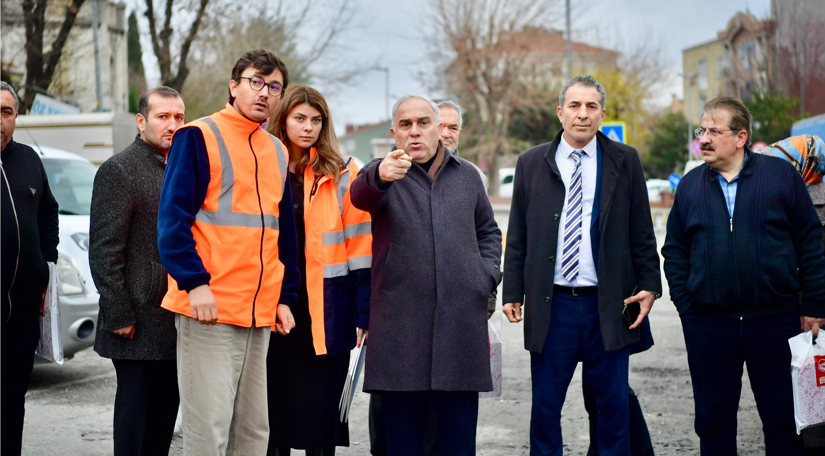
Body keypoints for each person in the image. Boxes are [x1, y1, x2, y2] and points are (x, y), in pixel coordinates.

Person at [502, 75, 662, 456]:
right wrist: (512, 292)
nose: (582, 114)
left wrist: (650, 286)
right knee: (545, 409)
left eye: (591, 107)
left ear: (602, 114)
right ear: (560, 112)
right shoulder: (530, 163)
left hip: (608, 306)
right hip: (552, 306)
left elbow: (642, 231)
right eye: (574, 105)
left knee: (612, 407)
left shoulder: (625, 161)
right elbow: (518, 234)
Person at [157, 49, 301, 455]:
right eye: (256, 81)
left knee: (253, 435)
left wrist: (285, 298)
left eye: (274, 87)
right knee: (209, 435)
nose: (265, 93)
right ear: (233, 85)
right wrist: (194, 284)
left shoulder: (276, 149)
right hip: (211, 310)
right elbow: (171, 220)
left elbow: (281, 234)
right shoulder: (199, 136)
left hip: (259, 313)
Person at [663, 96, 825, 455]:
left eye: (713, 131)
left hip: (775, 320)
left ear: (740, 137)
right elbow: (674, 250)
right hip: (709, 324)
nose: (703, 138)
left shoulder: (780, 177)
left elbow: (810, 242)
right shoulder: (690, 186)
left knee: (782, 422)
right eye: (701, 130)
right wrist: (687, 306)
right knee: (713, 423)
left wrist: (813, 305)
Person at [351, 94, 502, 455]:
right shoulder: (383, 172)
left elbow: (489, 232)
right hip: (401, 335)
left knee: (458, 444)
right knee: (403, 444)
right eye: (405, 125)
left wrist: (484, 277)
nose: (414, 132)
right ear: (394, 132)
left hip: (460, 330)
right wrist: (380, 175)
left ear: (439, 128)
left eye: (423, 123)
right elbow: (360, 195)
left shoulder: (467, 176)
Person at [264, 85, 372, 456]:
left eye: (316, 120)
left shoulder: (343, 170)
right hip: (273, 306)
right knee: (271, 417)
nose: (308, 127)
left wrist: (362, 311)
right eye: (299, 118)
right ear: (283, 119)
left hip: (327, 310)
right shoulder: (263, 165)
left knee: (321, 420)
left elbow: (360, 244)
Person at [89, 86, 185, 456]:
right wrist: (118, 313)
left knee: (164, 417)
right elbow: (104, 248)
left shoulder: (181, 166)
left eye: (179, 116)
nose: (173, 124)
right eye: (163, 117)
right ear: (141, 121)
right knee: (135, 422)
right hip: (135, 320)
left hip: (175, 315)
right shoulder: (119, 170)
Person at [0, 81, 59, 456]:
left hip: (19, 313)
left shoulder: (28, 160)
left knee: (12, 400)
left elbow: (48, 212)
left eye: (6, 112)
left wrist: (46, 262)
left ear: (17, 118)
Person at [760, 134, 825, 455]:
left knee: (808, 388)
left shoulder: (799, 194)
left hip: (811, 306)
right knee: (801, 389)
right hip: (794, 308)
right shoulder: (777, 189)